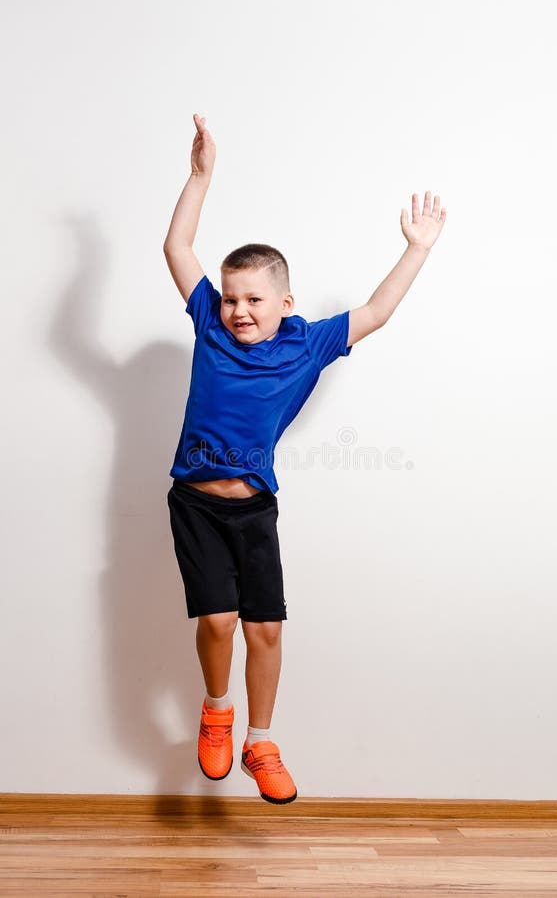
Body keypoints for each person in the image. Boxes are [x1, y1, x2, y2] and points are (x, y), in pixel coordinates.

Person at [164, 113, 446, 804]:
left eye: (251, 299)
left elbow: (376, 311)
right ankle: (216, 711)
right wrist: (200, 177)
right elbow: (177, 245)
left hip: (256, 505)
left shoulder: (306, 344)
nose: (236, 310)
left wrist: (417, 248)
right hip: (196, 502)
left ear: (284, 303)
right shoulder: (208, 321)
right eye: (229, 299)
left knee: (264, 627)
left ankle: (261, 741)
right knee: (218, 620)